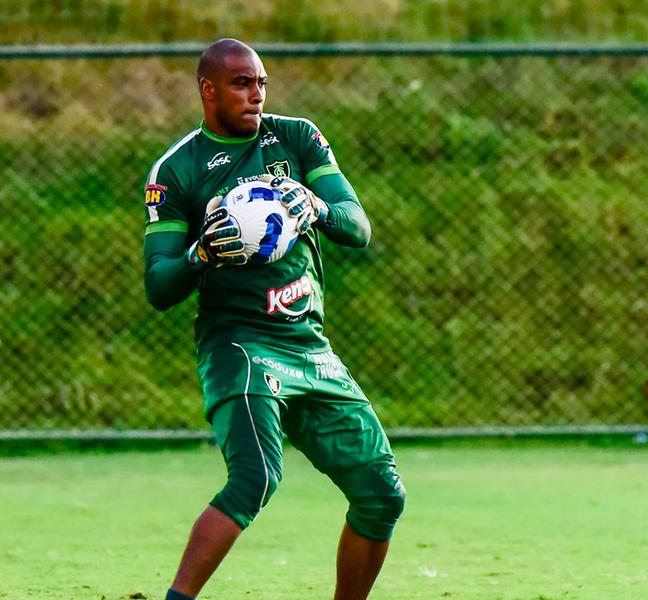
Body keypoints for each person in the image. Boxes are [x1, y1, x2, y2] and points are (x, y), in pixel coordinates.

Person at [142, 38, 405, 600]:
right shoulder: (178, 168)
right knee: (255, 478)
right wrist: (200, 254)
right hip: (238, 345)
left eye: (261, 82)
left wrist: (317, 206)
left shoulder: (296, 138)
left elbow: (358, 228)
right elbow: (159, 285)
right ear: (207, 89)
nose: (256, 94)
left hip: (309, 346)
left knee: (382, 494)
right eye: (241, 83)